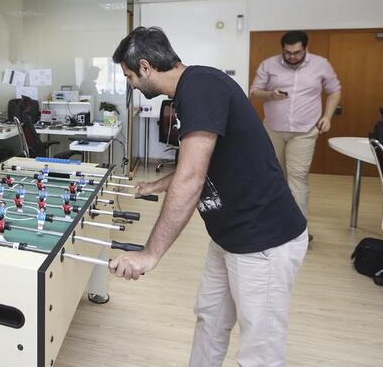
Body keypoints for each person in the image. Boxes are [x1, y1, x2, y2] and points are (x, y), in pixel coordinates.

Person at [108, 27, 307, 367]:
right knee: (210, 321)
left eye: (129, 77)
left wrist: (150, 254)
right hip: (227, 236)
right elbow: (204, 163)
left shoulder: (200, 88)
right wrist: (158, 185)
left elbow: (192, 178)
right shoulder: (194, 88)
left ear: (144, 67)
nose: (131, 86)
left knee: (260, 352)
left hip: (263, 240)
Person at [249, 30, 341, 220]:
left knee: (297, 177)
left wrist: (328, 117)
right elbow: (254, 92)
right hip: (273, 129)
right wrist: (270, 95)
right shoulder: (269, 64)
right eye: (288, 52)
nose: (292, 56)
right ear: (282, 49)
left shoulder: (321, 64)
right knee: (275, 176)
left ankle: (298, 226)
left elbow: (334, 91)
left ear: (305, 48)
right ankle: (277, 219)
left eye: (297, 52)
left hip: (304, 131)